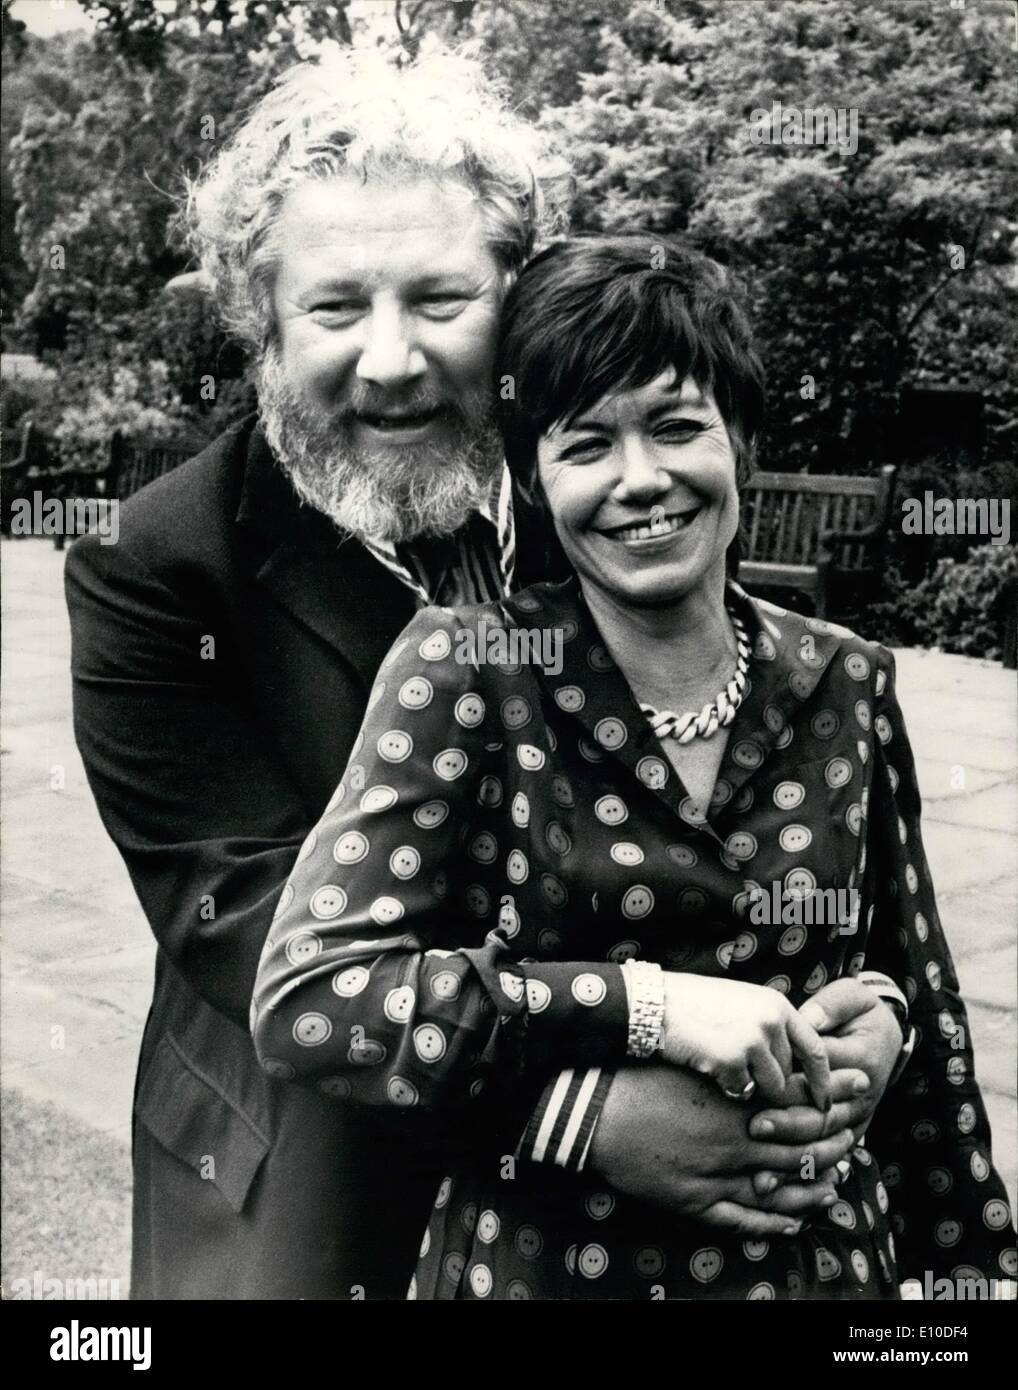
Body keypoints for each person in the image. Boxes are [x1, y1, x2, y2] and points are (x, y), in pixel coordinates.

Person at [66, 47, 907, 1300]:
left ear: (517, 293)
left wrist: (851, 1001)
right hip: (319, 1171)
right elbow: (247, 932)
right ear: (262, 318)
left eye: (441, 299)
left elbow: (739, 783)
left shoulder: (592, 484)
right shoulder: (156, 566)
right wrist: (580, 1111)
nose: (392, 359)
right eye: (335, 307)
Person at [252, 235, 1016, 1300]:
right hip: (549, 1268)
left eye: (675, 426)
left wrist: (971, 1272)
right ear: (531, 477)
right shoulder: (469, 669)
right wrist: (636, 1012)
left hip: (826, 1274)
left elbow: (923, 1005)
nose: (641, 480)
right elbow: (314, 999)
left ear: (741, 441)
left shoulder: (845, 680)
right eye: (586, 445)